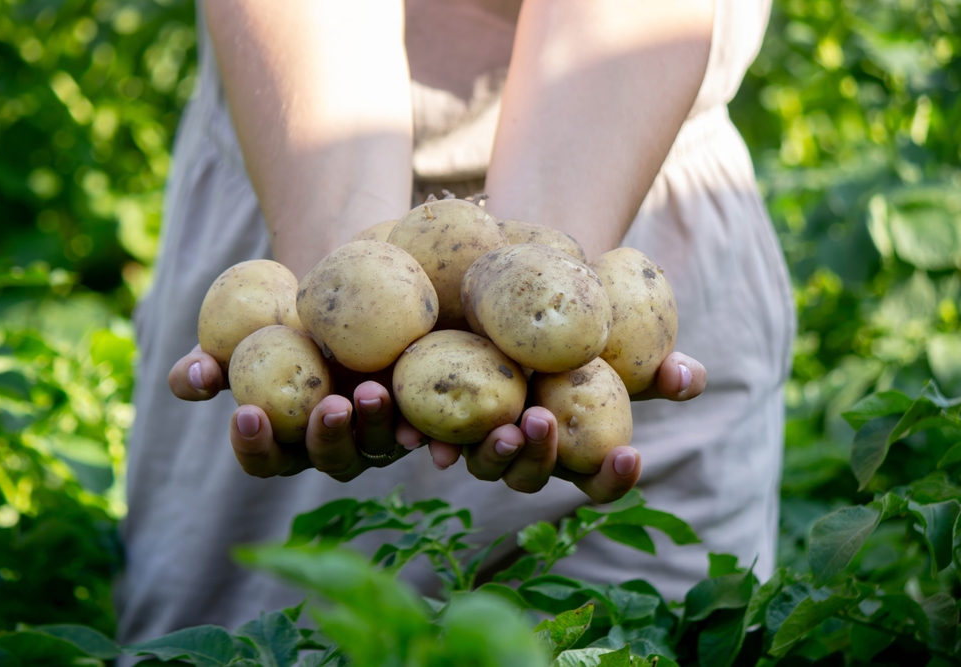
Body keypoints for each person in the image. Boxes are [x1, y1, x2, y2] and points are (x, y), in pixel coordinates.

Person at [118, 0, 793, 645]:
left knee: (646, 637)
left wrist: (544, 282)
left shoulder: (590, 309)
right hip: (292, 173)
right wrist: (338, 269)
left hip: (621, 172)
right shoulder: (304, 309)